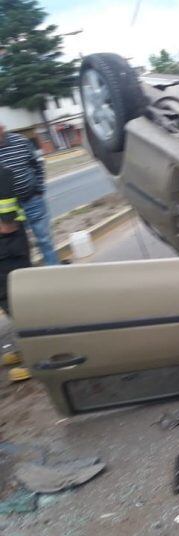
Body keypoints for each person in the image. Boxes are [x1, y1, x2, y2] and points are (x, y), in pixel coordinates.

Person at [0, 122, 59, 265]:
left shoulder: (20, 141)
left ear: (2, 128)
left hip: (33, 200)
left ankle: (54, 272)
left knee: (44, 240)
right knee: (20, 245)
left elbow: (37, 164)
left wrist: (39, 189)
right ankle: (28, 278)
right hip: (10, 209)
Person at [0, 162, 32, 382]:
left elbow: (7, 225)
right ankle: (26, 349)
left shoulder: (2, 175)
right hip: (6, 248)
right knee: (8, 301)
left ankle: (38, 357)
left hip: (8, 247)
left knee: (19, 302)